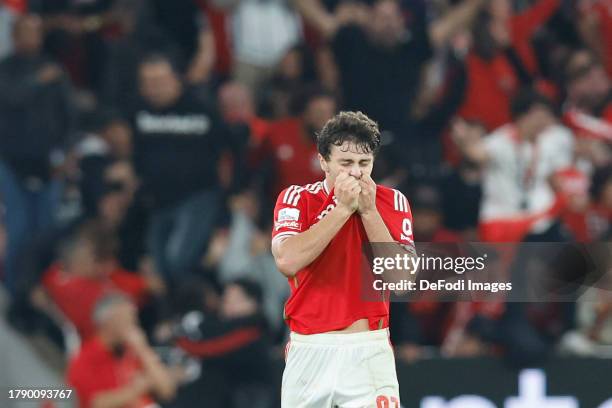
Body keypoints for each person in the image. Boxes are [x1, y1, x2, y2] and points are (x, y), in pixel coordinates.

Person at [271, 111, 417, 407]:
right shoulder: (297, 198)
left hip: (368, 350)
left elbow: (402, 281)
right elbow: (287, 260)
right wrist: (340, 210)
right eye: (346, 163)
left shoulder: (393, 201)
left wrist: (368, 211)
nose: (356, 172)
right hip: (310, 347)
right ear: (324, 162)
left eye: (364, 163)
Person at [128, 53, 243, 282]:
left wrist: (233, 195)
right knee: (159, 265)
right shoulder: (137, 111)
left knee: (179, 258)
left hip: (197, 196)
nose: (154, 88)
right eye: (148, 82)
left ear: (176, 80)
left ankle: (197, 304)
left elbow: (231, 151)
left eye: (160, 81)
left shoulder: (202, 109)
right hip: (157, 199)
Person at [0, 14, 74, 294]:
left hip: (48, 160)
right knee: (18, 227)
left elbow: (69, 114)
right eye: (25, 33)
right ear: (15, 37)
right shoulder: (6, 70)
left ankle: (40, 290)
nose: (32, 39)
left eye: (36, 33)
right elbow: (10, 97)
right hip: (10, 160)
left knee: (46, 228)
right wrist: (37, 82)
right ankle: (12, 289)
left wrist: (67, 151)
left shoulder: (54, 70)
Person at [454, 89, 574, 242]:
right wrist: (464, 141)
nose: (542, 121)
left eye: (545, 115)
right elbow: (475, 153)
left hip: (537, 220)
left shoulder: (549, 140)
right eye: (538, 115)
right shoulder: (502, 140)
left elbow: (556, 174)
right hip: (504, 220)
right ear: (521, 117)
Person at [67, 293, 177, 408]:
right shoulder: (85, 358)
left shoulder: (132, 351)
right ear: (110, 321)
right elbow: (96, 403)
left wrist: (143, 349)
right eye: (128, 317)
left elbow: (167, 390)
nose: (133, 324)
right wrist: (138, 388)